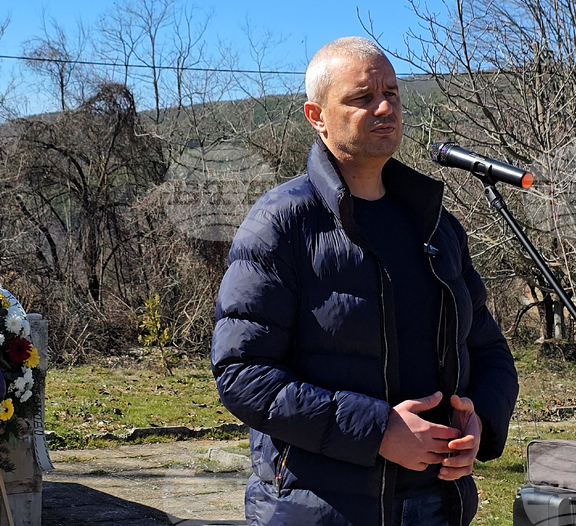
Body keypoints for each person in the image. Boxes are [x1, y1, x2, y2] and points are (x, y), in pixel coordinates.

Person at [211, 37, 519, 526]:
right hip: (322, 506)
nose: (384, 107)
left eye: (392, 93)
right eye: (362, 98)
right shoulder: (282, 224)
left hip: (438, 504)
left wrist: (480, 418)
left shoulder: (436, 224)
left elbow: (489, 352)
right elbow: (242, 373)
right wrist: (378, 431)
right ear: (318, 116)